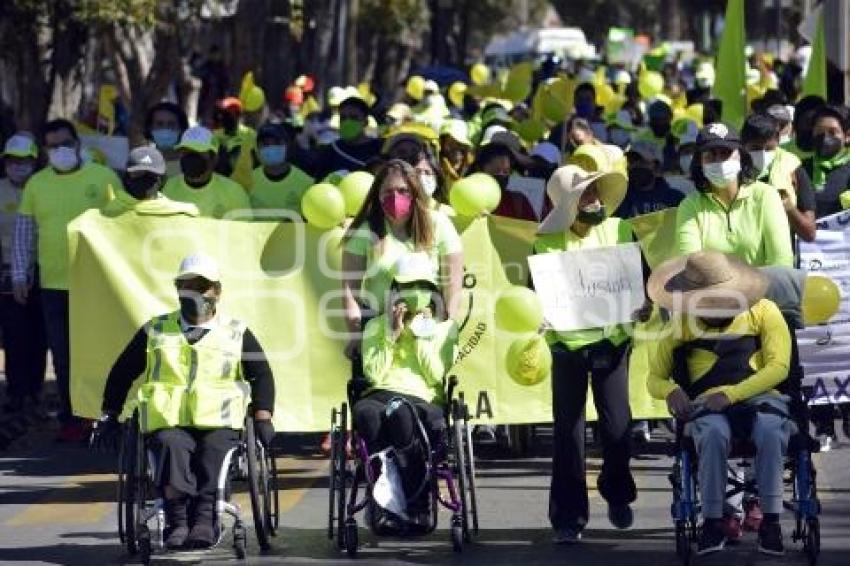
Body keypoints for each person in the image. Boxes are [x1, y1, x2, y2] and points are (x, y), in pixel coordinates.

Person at [90, 254, 275, 550]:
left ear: (216, 291)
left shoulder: (235, 332)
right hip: (169, 421)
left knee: (213, 450)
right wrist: (109, 414)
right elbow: (122, 372)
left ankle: (204, 519)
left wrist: (263, 416)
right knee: (170, 447)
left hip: (219, 421)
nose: (193, 292)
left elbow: (262, 374)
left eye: (200, 285)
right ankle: (177, 521)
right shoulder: (156, 330)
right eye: (185, 285)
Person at [646, 251, 792, 557]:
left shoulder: (764, 311)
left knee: (770, 431)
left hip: (760, 397)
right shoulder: (679, 324)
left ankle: (772, 522)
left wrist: (732, 394)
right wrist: (670, 389)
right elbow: (654, 378)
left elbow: (779, 367)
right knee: (712, 435)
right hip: (706, 406)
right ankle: (712, 522)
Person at [534, 165, 637, 544]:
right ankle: (567, 517)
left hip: (613, 341)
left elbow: (639, 281)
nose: (594, 200)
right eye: (585, 196)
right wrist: (539, 316)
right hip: (566, 345)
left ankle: (617, 490)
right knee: (568, 434)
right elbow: (536, 296)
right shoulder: (545, 243)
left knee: (617, 428)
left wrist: (641, 307)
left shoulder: (621, 229)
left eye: (595, 193)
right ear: (568, 206)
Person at [12, 119, 122, 441]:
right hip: (53, 286)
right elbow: (25, 232)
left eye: (64, 143)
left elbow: (120, 226)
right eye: (52, 145)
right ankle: (73, 419)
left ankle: (106, 416)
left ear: (77, 144)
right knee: (63, 357)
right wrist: (21, 274)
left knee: (99, 352)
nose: (59, 150)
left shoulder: (104, 179)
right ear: (44, 151)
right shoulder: (36, 185)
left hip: (96, 285)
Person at [354, 252, 458, 524]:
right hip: (382, 391)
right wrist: (392, 334)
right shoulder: (376, 325)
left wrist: (420, 335)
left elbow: (436, 375)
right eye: (407, 287)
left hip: (422, 395)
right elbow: (373, 374)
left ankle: (416, 499)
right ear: (395, 291)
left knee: (402, 415)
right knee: (366, 414)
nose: (414, 293)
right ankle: (383, 498)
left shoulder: (444, 329)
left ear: (432, 291)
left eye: (421, 287)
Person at [341, 159, 463, 363]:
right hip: (378, 327)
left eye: (402, 191)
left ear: (415, 192)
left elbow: (453, 285)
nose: (395, 197)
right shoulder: (365, 230)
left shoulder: (439, 224)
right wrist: (356, 334)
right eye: (387, 192)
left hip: (426, 326)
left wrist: (445, 329)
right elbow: (349, 291)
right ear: (377, 195)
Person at [676, 123, 793, 268]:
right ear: (699, 163)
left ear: (741, 157)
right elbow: (691, 265)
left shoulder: (765, 196)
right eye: (710, 156)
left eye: (725, 153)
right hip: (710, 290)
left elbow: (781, 262)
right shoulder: (690, 205)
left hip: (766, 288)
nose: (719, 161)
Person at [0, 134, 47, 413]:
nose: (18, 166)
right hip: (6, 274)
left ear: (34, 162)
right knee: (14, 335)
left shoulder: (44, 188)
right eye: (13, 161)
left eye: (24, 161)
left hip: (42, 272)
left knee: (38, 335)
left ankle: (35, 390)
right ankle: (16, 392)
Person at [741, 113, 816, 242]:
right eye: (755, 148)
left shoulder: (793, 169)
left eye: (769, 149)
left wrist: (787, 206)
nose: (763, 154)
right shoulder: (732, 173)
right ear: (743, 145)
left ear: (778, 141)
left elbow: (809, 233)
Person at [162, 126, 251, 219]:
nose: (191, 159)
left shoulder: (234, 193)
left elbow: (244, 231)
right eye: (186, 153)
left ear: (214, 159)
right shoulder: (169, 188)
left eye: (198, 153)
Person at [101, 146, 199, 218]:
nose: (143, 179)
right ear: (126, 177)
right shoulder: (109, 212)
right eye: (138, 174)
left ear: (161, 180)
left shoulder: (181, 213)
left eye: (150, 175)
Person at [249, 122, 314, 220]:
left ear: (286, 146)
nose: (271, 148)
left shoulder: (306, 183)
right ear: (257, 149)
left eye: (276, 143)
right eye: (265, 144)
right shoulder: (247, 181)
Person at [312, 96, 382, 179]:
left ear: (365, 122)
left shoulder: (380, 149)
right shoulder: (332, 150)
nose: (347, 122)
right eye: (343, 118)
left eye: (354, 118)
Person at [385, 133, 454, 217]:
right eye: (401, 152)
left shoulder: (446, 213)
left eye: (414, 151)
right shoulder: (389, 206)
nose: (408, 156)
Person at [802, 105, 850, 219]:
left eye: (832, 132)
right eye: (819, 131)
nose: (825, 137)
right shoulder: (800, 168)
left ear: (847, 136)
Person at [615, 140, 684, 219]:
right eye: (631, 162)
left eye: (641, 162)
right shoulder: (619, 200)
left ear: (656, 166)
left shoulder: (676, 199)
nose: (635, 166)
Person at [471, 141, 537, 221]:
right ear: (480, 170)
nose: (501, 175)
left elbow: (531, 230)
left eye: (506, 172)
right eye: (495, 171)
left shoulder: (519, 202)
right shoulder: (467, 197)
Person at [144, 102, 189, 177]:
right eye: (159, 124)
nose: (165, 129)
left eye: (171, 124)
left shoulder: (190, 164)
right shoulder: (142, 165)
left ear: (181, 128)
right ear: (150, 128)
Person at [634, 100, 678, 173]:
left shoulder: (678, 136)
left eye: (662, 119)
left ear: (670, 118)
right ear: (650, 120)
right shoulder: (641, 138)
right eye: (656, 120)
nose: (659, 123)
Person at [438, 119, 473, 188]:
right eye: (451, 143)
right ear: (441, 143)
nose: (456, 147)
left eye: (460, 144)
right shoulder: (435, 166)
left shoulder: (472, 167)